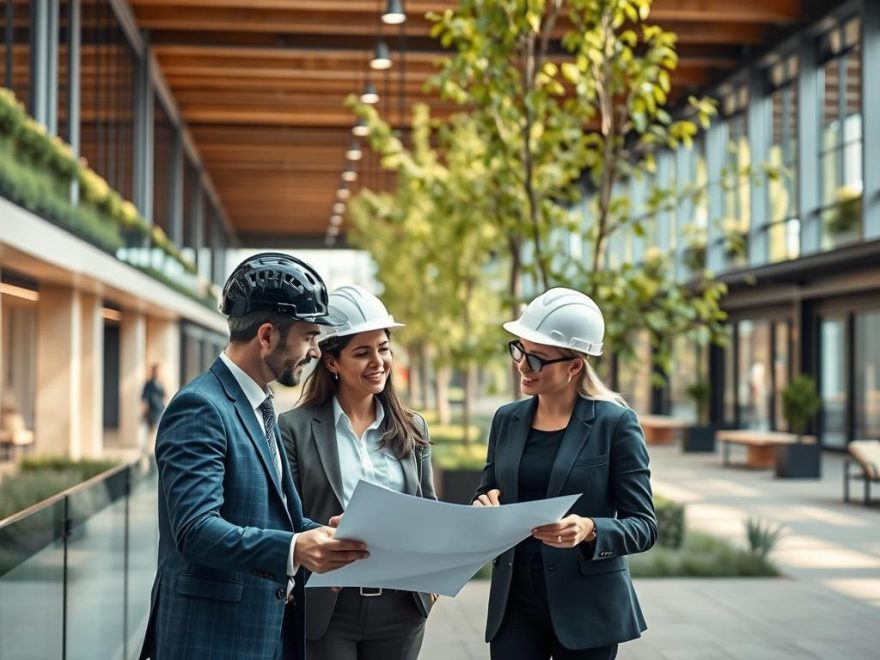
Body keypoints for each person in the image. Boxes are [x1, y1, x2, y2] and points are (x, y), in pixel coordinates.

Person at [140, 253, 369, 660]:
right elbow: (195, 531)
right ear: (266, 335)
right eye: (309, 337)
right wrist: (294, 548)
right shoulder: (200, 407)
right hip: (212, 640)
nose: (315, 351)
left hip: (265, 632)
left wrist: (331, 540)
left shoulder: (259, 405)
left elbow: (276, 517)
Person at [473, 288, 658, 660]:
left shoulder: (616, 424)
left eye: (537, 359)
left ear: (575, 366)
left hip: (586, 607)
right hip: (515, 604)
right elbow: (486, 493)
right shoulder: (506, 420)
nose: (523, 366)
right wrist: (482, 505)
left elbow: (645, 526)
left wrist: (590, 529)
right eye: (519, 350)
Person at [279, 285, 436, 660]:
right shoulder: (294, 429)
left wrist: (430, 581)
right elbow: (282, 516)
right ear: (332, 362)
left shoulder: (413, 427)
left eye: (383, 348)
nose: (379, 362)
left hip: (402, 606)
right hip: (329, 607)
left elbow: (428, 509)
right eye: (362, 353)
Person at [141, 363, 166, 431]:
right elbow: (144, 397)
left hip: (160, 409)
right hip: (152, 411)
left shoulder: (160, 383)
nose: (157, 373)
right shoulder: (148, 384)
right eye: (156, 371)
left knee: (159, 429)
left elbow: (164, 395)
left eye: (158, 371)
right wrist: (145, 410)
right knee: (152, 430)